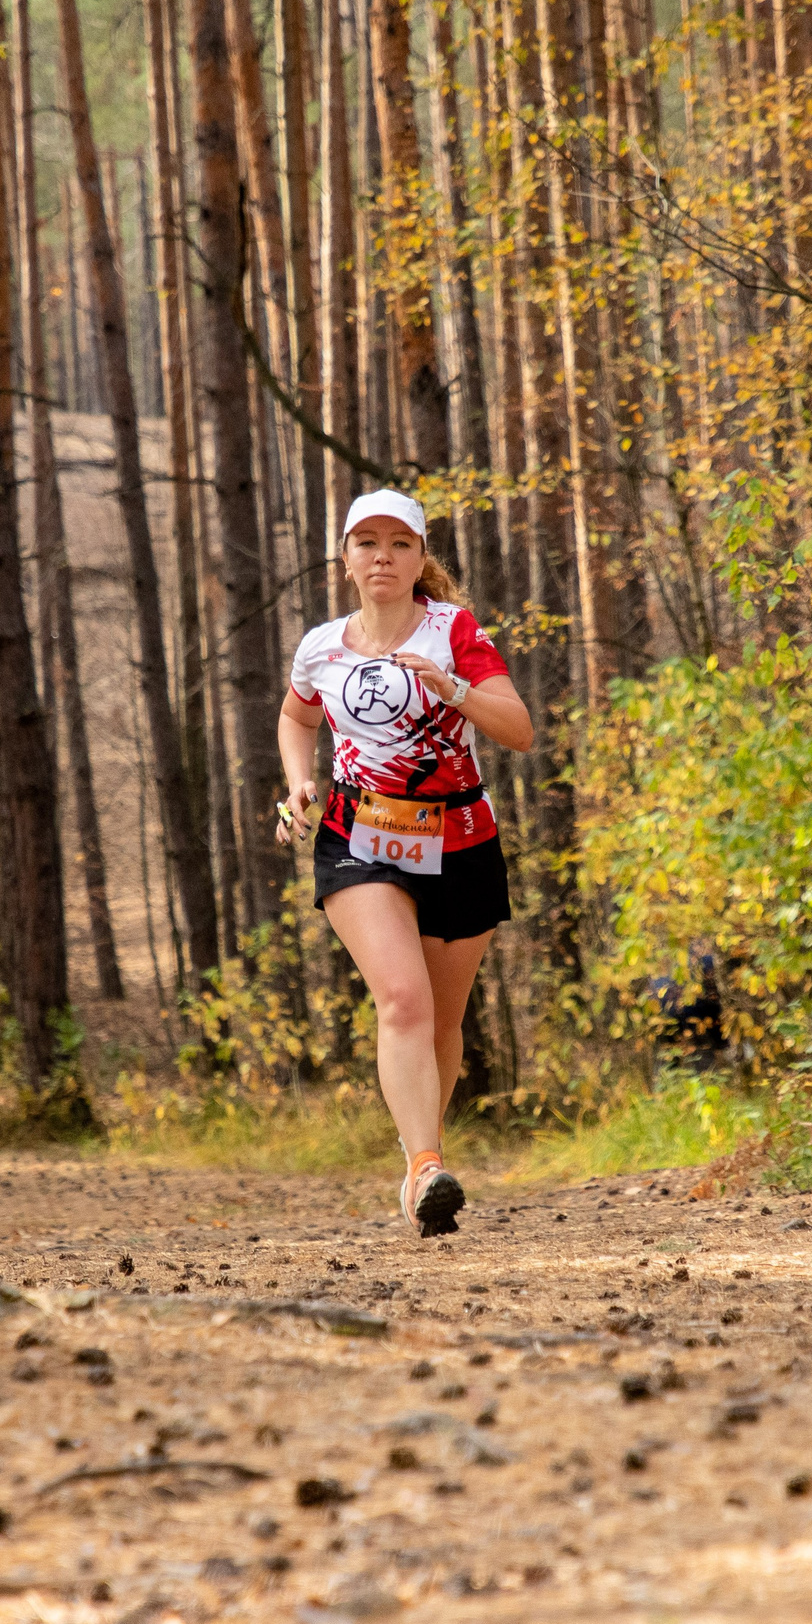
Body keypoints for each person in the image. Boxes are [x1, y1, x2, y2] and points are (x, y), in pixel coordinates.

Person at [278, 490, 535, 1236]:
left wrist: (452, 689)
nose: (382, 556)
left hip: (461, 840)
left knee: (442, 1022)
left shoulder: (456, 629)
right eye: (367, 543)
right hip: (359, 834)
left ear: (421, 557)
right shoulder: (321, 646)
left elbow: (518, 729)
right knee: (403, 1001)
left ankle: (420, 1157)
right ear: (346, 561)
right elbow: (297, 717)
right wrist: (299, 779)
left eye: (398, 543)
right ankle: (427, 1165)